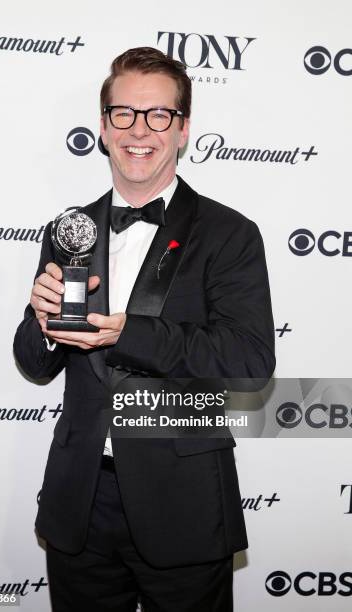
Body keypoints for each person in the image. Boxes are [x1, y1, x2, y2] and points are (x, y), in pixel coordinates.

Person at [14, 47, 275, 612]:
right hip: (81, 498)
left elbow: (250, 362)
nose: (140, 130)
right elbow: (35, 364)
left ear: (182, 130)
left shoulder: (230, 234)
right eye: (124, 114)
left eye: (158, 115)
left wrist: (126, 332)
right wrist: (42, 323)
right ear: (104, 127)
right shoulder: (69, 229)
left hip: (182, 503)